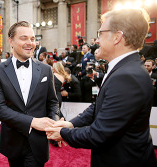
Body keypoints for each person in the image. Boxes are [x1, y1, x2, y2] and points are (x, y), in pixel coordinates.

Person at [46, 8, 157, 167]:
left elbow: (99, 133)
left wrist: (63, 133)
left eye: (100, 33)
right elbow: (99, 106)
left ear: (117, 37)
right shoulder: (124, 69)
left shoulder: (128, 76)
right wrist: (71, 124)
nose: (96, 40)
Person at [0, 21, 60, 167]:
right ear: (11, 41)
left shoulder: (46, 70)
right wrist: (33, 122)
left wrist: (55, 122)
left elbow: (52, 102)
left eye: (33, 39)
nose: (30, 43)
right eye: (24, 38)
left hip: (38, 142)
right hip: (13, 141)